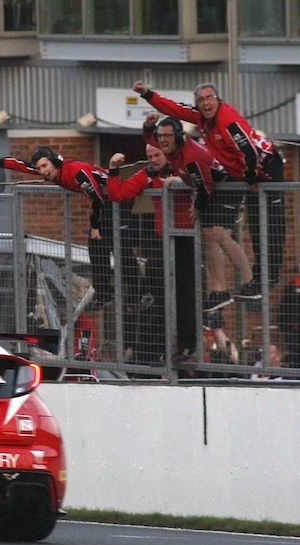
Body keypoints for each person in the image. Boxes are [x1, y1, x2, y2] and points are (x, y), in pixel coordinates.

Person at [134, 80, 285, 287]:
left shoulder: (227, 120)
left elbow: (250, 151)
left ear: (218, 99)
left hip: (265, 166)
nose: (206, 103)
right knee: (255, 223)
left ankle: (269, 274)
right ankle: (260, 275)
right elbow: (174, 108)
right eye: (201, 99)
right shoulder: (201, 119)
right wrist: (147, 94)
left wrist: (251, 177)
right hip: (241, 172)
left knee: (270, 222)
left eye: (209, 98)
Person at [0, 145, 124, 311]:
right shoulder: (50, 170)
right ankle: (105, 293)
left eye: (44, 166)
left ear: (54, 162)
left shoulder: (76, 172)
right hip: (104, 202)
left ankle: (128, 294)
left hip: (115, 198)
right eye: (39, 168)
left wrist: (95, 227)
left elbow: (97, 200)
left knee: (115, 246)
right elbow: (20, 164)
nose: (42, 172)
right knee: (97, 248)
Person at [143, 114, 257, 313]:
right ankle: (220, 290)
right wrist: (148, 126)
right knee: (209, 235)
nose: (161, 140)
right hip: (211, 186)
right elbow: (150, 140)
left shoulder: (190, 156)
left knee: (219, 234)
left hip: (227, 183)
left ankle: (251, 282)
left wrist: (195, 205)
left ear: (177, 137)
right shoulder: (168, 145)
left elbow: (204, 187)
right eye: (160, 136)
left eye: (166, 136)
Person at [107, 144, 197, 363]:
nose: (154, 159)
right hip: (162, 239)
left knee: (185, 295)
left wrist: (180, 182)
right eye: (150, 156)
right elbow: (118, 193)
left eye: (158, 155)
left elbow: (203, 180)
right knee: (158, 294)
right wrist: (112, 170)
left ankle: (188, 344)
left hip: (186, 238)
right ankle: (161, 348)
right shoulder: (148, 173)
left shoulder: (182, 168)